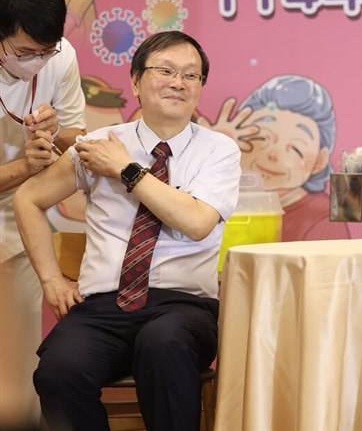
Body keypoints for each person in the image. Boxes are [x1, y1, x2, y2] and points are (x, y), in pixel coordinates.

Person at [14, 31, 241, 431]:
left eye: (191, 75)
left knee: (163, 344)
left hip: (184, 308)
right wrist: (51, 279)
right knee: (59, 369)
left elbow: (197, 222)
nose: (178, 82)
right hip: (104, 307)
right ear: (135, 81)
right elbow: (28, 198)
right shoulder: (98, 145)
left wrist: (126, 169)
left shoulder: (218, 150)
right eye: (165, 71)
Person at [0, 0, 86, 427]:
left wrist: (55, 133)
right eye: (23, 51)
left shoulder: (61, 57)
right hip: (15, 190)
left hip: (16, 226)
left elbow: (76, 136)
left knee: (15, 384)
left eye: (44, 51)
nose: (36, 62)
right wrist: (22, 168)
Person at [237, 74, 349, 242]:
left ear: (319, 161)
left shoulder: (322, 218)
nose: (273, 155)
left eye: (295, 149)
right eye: (263, 138)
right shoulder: (223, 200)